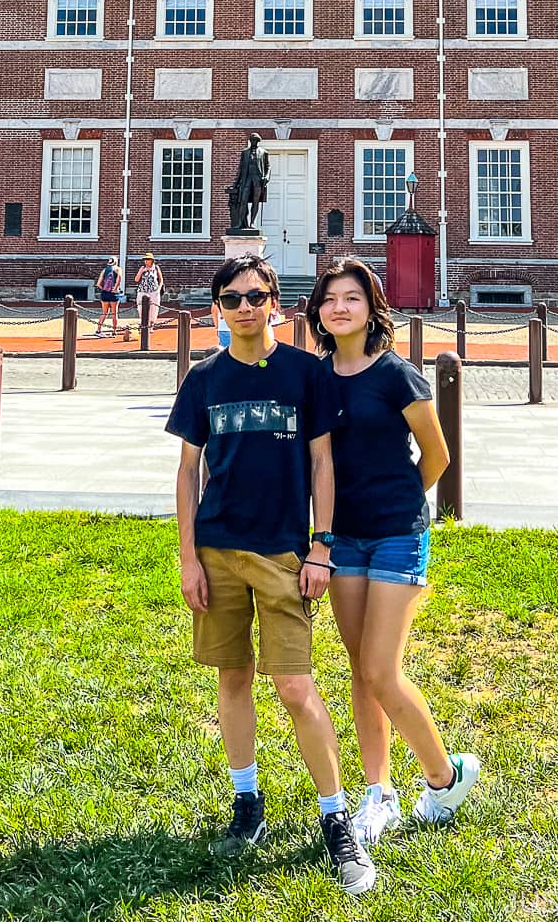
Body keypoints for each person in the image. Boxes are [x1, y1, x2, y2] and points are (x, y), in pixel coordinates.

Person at [166, 252, 377, 895]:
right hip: (218, 548)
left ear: (276, 307)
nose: (245, 307)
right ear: (218, 311)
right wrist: (187, 558)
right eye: (233, 299)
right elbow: (186, 472)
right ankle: (246, 799)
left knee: (293, 685)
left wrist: (321, 546)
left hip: (284, 552)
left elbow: (323, 466)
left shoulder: (305, 375)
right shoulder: (203, 379)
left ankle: (335, 816)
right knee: (232, 677)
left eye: (256, 296)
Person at [308, 255, 481, 843]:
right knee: (362, 671)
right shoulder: (318, 376)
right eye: (330, 298)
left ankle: (444, 776)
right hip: (342, 539)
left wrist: (401, 500)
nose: (340, 307)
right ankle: (378, 792)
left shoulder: (397, 374)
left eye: (351, 297)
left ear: (371, 306)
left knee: (382, 669)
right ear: (319, 309)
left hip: (397, 534)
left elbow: (436, 455)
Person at [134, 252, 163, 334]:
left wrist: (159, 289)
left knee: (153, 309)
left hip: (153, 291)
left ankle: (151, 326)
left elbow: (161, 279)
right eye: (145, 260)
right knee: (141, 308)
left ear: (152, 260)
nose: (146, 261)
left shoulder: (156, 268)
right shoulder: (142, 268)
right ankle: (143, 325)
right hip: (142, 291)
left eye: (148, 260)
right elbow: (136, 279)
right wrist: (142, 271)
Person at [95, 256, 122, 337]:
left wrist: (104, 289)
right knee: (114, 313)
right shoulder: (118, 269)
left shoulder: (104, 270)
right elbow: (119, 278)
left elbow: (98, 284)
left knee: (104, 313)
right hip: (113, 293)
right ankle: (114, 331)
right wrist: (116, 288)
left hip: (104, 293)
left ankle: (98, 330)